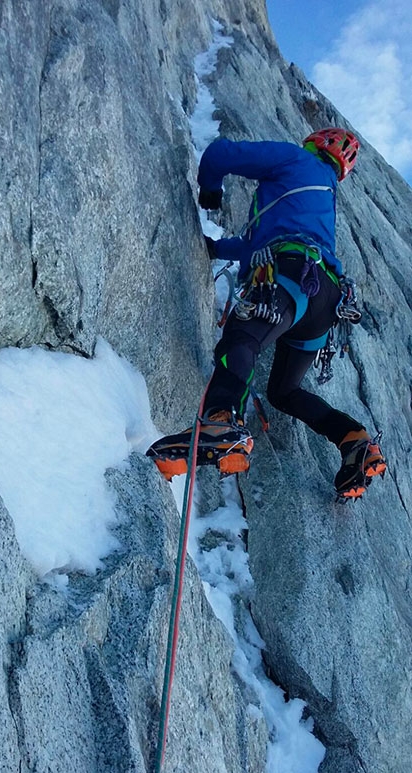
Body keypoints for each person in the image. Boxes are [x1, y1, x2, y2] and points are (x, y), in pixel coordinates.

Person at [147, 128, 386, 500]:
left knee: (243, 339)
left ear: (316, 143)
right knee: (285, 391)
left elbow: (220, 154)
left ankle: (220, 422)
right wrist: (214, 247)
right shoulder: (323, 195)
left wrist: (210, 190)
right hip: (323, 302)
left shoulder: (295, 159)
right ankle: (354, 439)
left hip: (290, 277)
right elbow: (254, 245)